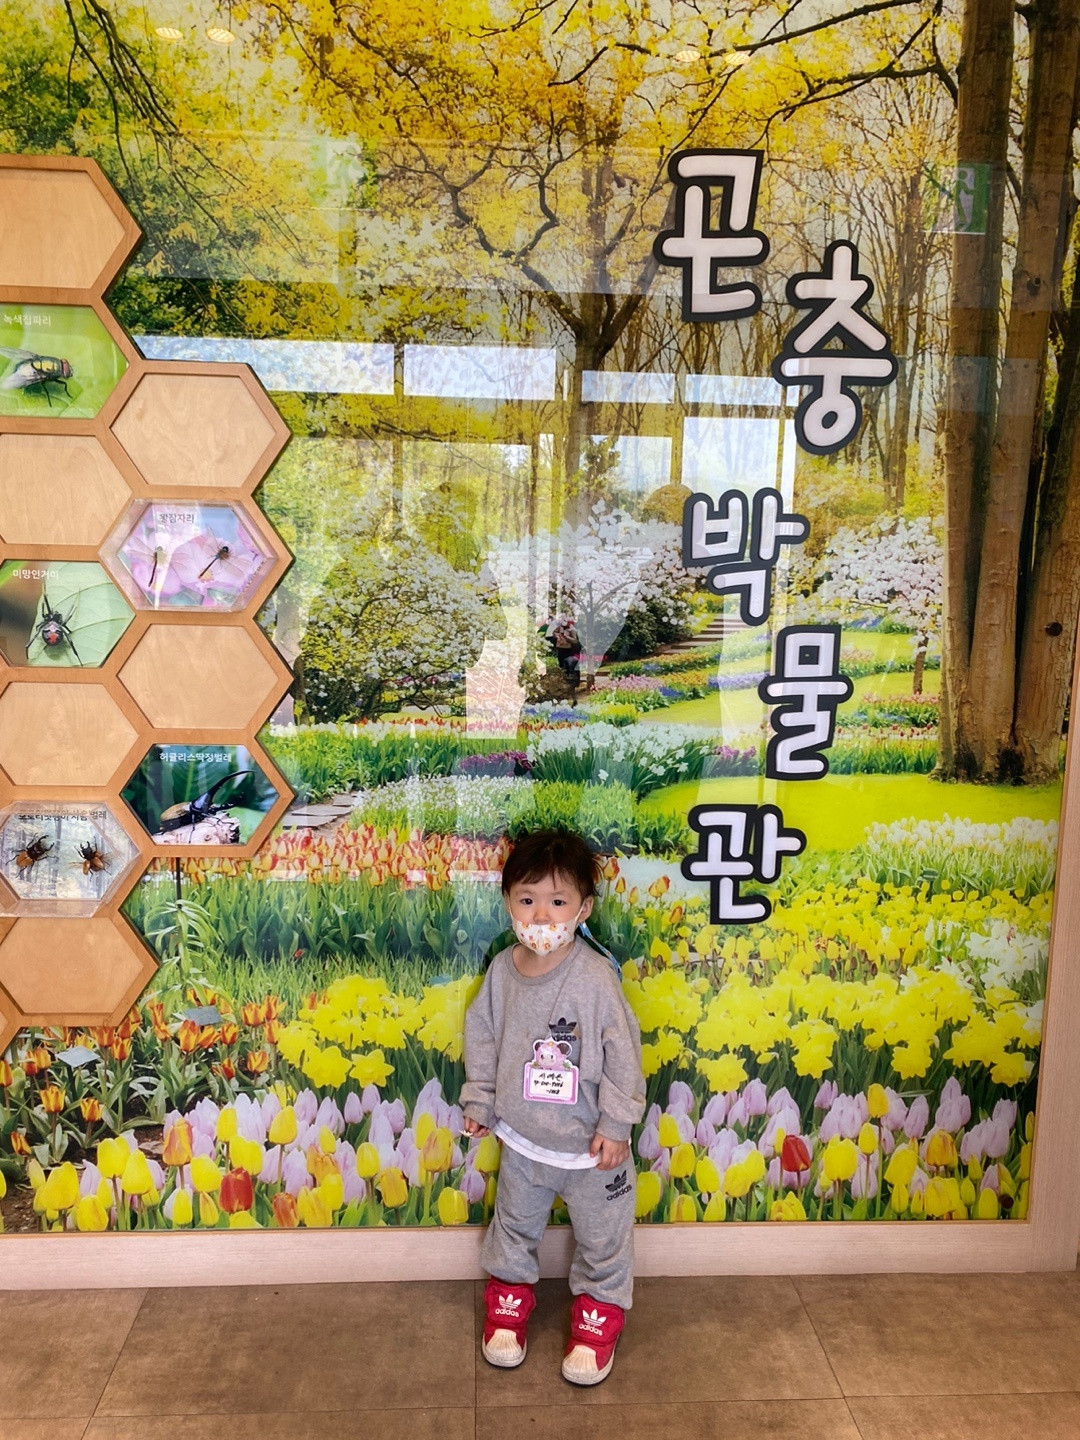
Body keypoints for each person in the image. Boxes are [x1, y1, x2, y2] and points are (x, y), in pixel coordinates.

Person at [460, 828, 645, 1386]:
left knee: (604, 1239)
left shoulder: (594, 978)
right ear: (508, 901)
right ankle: (508, 1304)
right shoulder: (502, 972)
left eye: (558, 902)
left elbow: (623, 1053)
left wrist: (616, 1124)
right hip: (523, 1143)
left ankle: (598, 1317)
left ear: (583, 909)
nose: (541, 916)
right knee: (513, 1227)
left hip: (594, 1151)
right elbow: (483, 1036)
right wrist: (481, 1101)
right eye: (527, 899)